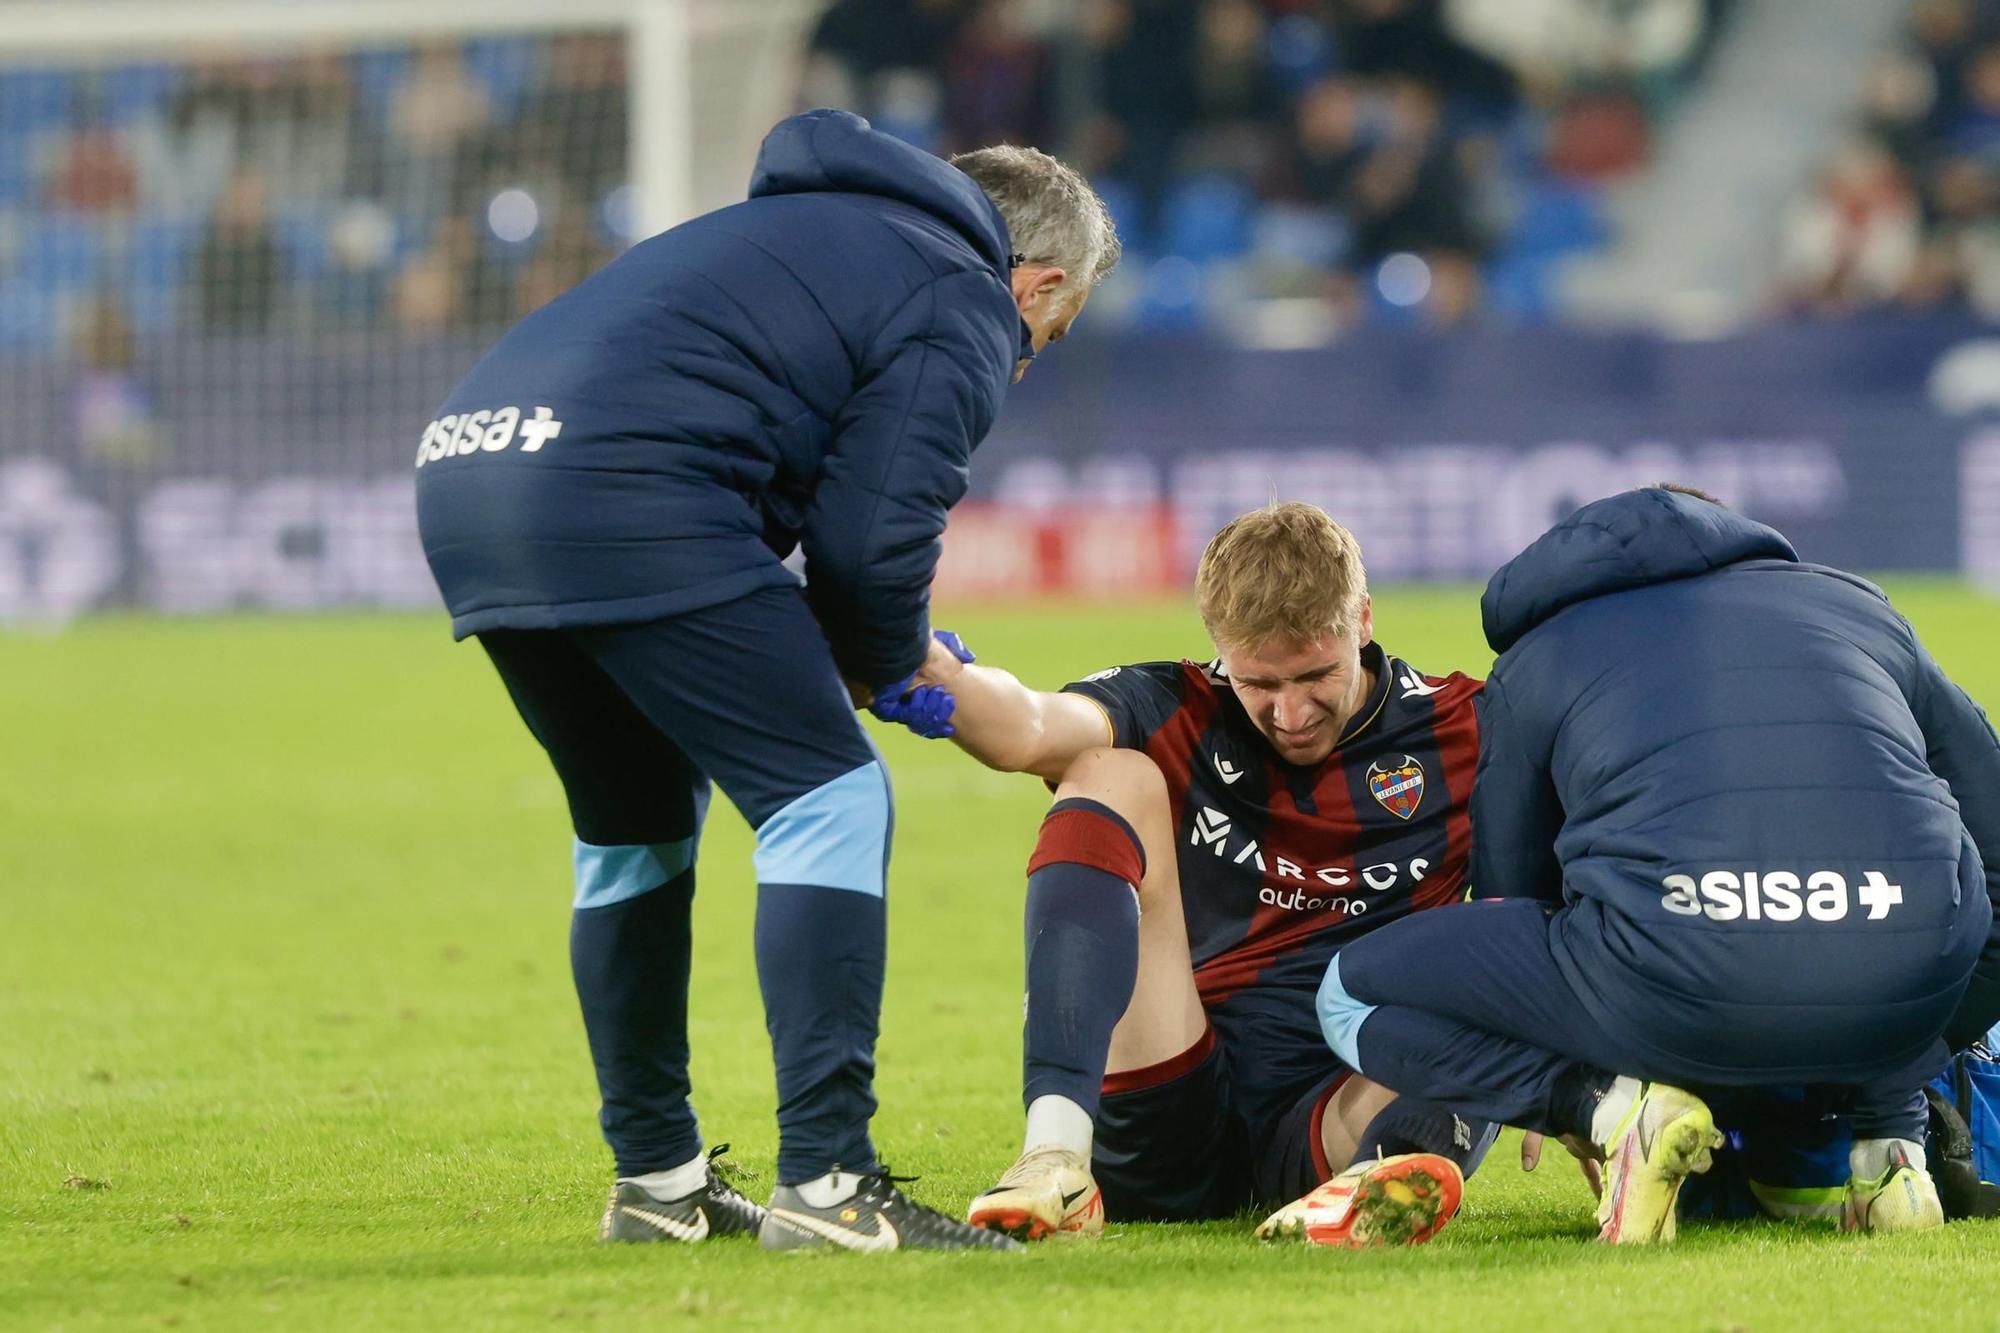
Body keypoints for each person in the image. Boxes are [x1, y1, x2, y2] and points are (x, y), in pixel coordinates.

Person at [413, 109, 1118, 1252]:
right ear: (1034, 280)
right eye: (1055, 322)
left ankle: (657, 1182)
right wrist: (895, 669)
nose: (1032, 348)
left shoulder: (808, 222)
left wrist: (855, 650)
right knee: (827, 798)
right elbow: (870, 538)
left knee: (632, 826)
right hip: (621, 488)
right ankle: (832, 1186)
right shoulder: (959, 286)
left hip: (470, 475)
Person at [1312, 485, 2000, 1243]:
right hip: (1904, 979)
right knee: (1869, 926)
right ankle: (1889, 1151)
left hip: (1675, 983)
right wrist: (1911, 1042)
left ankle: (1613, 1113)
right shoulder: (1866, 613)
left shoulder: (1538, 655)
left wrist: (1561, 1082)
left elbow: (1511, 894)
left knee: (1349, 994)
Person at [876, 502, 1497, 1246]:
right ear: (1218, 647)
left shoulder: (1465, 728)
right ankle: (1055, 1158)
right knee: (1108, 772)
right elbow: (1032, 726)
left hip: (1346, 1108)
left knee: (1499, 968)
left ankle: (1376, 1185)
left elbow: (1580, 884)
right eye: (1259, 682)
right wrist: (948, 679)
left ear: (1361, 620)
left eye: (1315, 675)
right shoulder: (1176, 706)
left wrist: (1575, 1075)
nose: (1291, 712)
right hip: (1171, 1091)